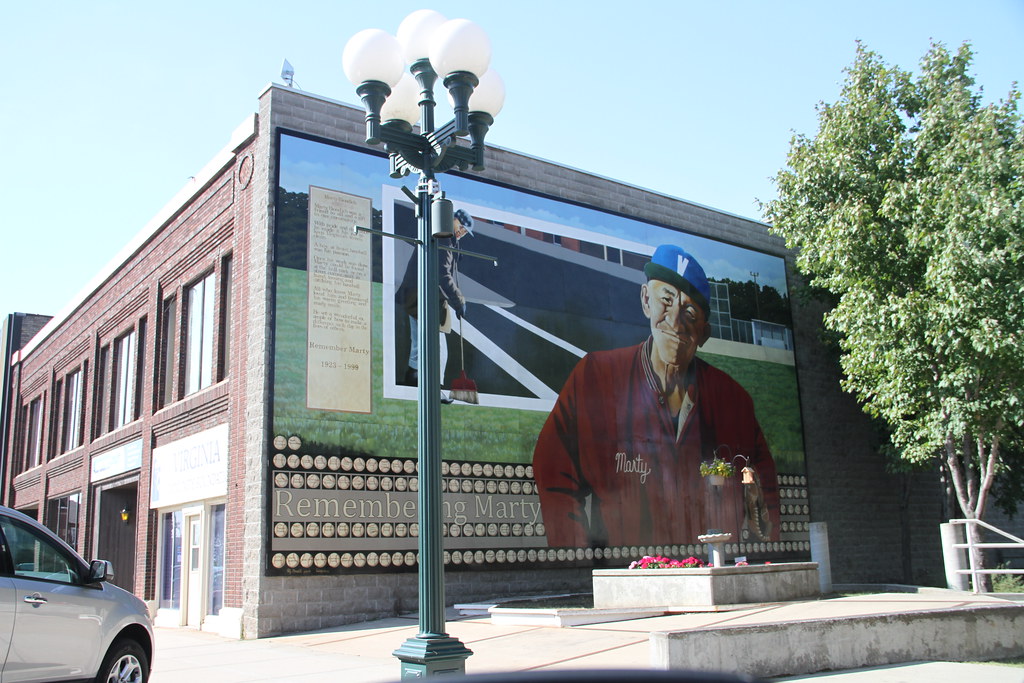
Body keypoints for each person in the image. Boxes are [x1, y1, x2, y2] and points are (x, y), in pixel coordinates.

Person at [532, 243, 780, 548]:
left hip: (711, 573)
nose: (675, 321)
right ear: (646, 300)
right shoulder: (596, 376)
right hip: (628, 579)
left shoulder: (734, 401)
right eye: (666, 299)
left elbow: (764, 493)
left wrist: (763, 553)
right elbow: (554, 470)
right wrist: (581, 560)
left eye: (690, 312)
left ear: (704, 333)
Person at [398, 208, 473, 389]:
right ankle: (434, 389)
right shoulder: (444, 238)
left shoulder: (445, 238)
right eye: (461, 227)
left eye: (465, 231)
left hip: (417, 295)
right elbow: (443, 275)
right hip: (425, 298)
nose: (462, 232)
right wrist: (459, 301)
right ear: (453, 219)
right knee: (438, 347)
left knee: (418, 346)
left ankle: (415, 384)